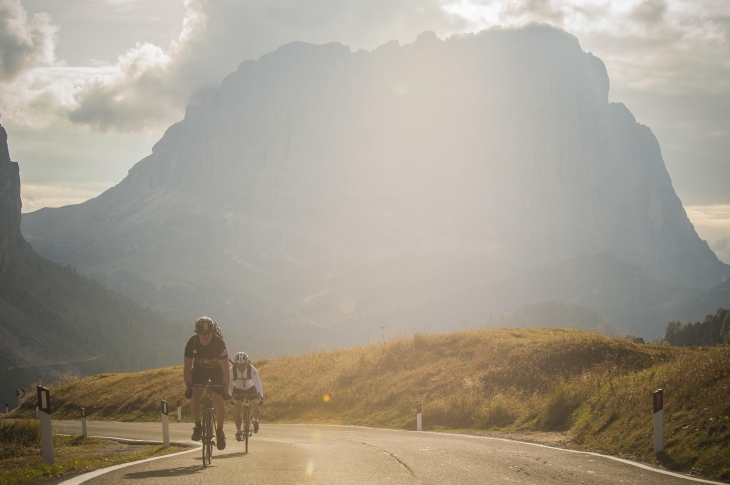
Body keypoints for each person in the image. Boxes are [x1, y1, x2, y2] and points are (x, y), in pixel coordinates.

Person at [184, 316, 231, 450]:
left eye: (208, 333)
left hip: (217, 371)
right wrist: (188, 387)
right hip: (200, 370)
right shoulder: (192, 343)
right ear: (197, 332)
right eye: (202, 333)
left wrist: (225, 389)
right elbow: (187, 368)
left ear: (212, 332)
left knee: (219, 400)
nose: (205, 336)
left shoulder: (219, 343)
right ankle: (198, 426)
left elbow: (225, 370)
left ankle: (220, 431)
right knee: (195, 395)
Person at [229, 351, 264, 441]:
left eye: (243, 364)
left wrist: (261, 396)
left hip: (250, 388)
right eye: (239, 365)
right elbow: (229, 385)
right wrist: (230, 396)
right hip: (238, 389)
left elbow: (258, 384)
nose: (241, 367)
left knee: (255, 405)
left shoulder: (252, 369)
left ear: (247, 363)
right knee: (238, 408)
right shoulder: (231, 370)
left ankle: (255, 420)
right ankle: (239, 431)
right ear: (235, 363)